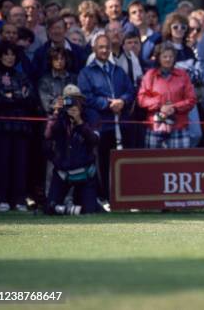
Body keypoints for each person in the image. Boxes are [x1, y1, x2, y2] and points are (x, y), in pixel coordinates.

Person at [78, 34, 134, 207]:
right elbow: (85, 96)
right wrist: (108, 104)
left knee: (117, 163)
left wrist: (122, 101)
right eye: (100, 47)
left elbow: (130, 90)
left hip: (119, 125)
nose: (104, 50)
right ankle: (103, 198)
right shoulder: (86, 73)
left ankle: (119, 198)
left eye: (107, 47)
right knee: (101, 163)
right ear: (94, 49)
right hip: (99, 124)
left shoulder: (118, 70)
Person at [0, 41, 36, 212]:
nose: (10, 57)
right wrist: (15, 97)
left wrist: (11, 96)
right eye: (6, 54)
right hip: (0, 128)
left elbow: (31, 98)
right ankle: (0, 198)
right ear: (0, 56)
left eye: (13, 54)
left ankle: (19, 199)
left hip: (21, 128)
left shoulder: (21, 76)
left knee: (20, 165)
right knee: (1, 164)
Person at [44, 85, 99, 215]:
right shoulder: (59, 117)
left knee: (89, 211)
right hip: (63, 172)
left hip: (84, 172)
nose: (73, 103)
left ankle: (78, 207)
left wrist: (80, 122)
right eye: (68, 100)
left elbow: (94, 141)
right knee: (49, 209)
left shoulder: (91, 115)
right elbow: (47, 137)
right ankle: (68, 209)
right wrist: (55, 115)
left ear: (82, 101)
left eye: (76, 99)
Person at [137, 42, 197, 149]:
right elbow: (142, 99)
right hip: (155, 126)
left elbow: (191, 99)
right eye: (164, 56)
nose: (168, 59)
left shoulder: (183, 75)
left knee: (179, 163)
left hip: (179, 126)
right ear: (158, 58)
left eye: (171, 56)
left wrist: (174, 108)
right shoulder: (150, 75)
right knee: (154, 163)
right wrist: (160, 105)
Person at [32, 16, 87, 81]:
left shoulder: (78, 51)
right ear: (48, 31)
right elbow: (35, 76)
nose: (56, 31)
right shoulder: (40, 53)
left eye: (59, 28)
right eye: (53, 28)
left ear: (65, 30)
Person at [38, 47, 78, 115]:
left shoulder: (73, 78)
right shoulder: (44, 80)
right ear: (51, 61)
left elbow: (78, 99)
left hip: (72, 114)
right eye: (56, 59)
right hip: (53, 117)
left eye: (62, 59)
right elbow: (46, 105)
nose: (59, 61)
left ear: (66, 60)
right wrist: (58, 104)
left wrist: (64, 102)